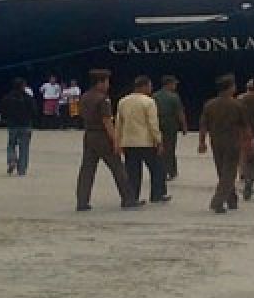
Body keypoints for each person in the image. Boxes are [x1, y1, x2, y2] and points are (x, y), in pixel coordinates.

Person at [75, 69, 142, 211]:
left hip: (89, 135)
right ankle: (128, 199)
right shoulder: (103, 99)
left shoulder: (85, 97)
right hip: (102, 136)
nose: (108, 85)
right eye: (106, 82)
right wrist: (116, 141)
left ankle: (82, 201)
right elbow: (107, 121)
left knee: (87, 169)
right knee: (118, 168)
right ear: (100, 83)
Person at [199, 74, 250, 214]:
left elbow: (203, 125)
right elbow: (245, 126)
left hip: (216, 141)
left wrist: (202, 142)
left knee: (222, 171)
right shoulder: (237, 105)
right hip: (232, 141)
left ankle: (232, 200)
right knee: (229, 173)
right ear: (230, 88)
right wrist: (248, 141)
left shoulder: (209, 104)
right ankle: (218, 201)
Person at [117, 75, 170, 204]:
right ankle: (157, 195)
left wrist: (119, 141)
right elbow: (153, 124)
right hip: (146, 142)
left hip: (129, 142)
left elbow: (119, 123)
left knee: (132, 172)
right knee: (158, 169)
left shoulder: (123, 101)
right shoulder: (149, 102)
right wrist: (159, 141)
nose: (151, 89)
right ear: (144, 86)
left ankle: (132, 198)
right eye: (150, 86)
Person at [151, 75, 188, 180]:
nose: (175, 86)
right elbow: (180, 112)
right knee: (170, 149)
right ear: (169, 84)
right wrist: (184, 126)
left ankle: (162, 170)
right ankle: (171, 171)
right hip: (170, 126)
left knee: (159, 148)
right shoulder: (174, 97)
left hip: (157, 124)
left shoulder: (154, 96)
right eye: (174, 84)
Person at [0, 77, 37, 176]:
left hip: (12, 125)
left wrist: (5, 119)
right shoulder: (28, 98)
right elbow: (34, 111)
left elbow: (3, 111)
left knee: (11, 145)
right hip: (25, 125)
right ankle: (21, 170)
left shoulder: (7, 98)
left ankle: (12, 160)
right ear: (23, 86)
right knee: (24, 147)